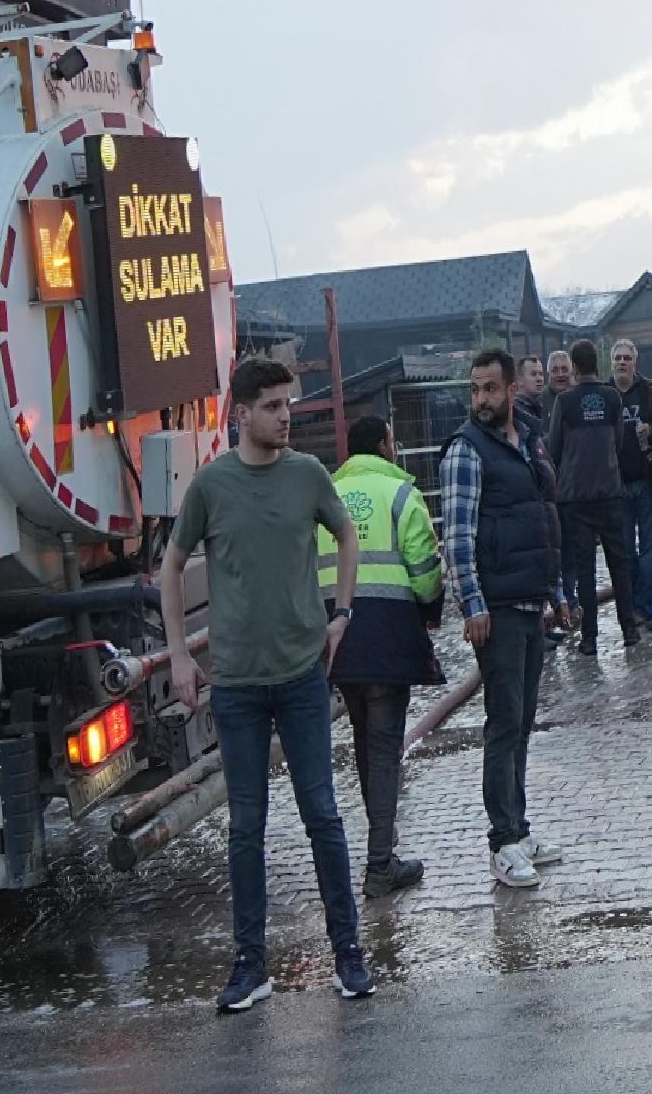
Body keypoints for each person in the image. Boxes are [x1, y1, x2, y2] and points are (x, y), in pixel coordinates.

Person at [158, 357, 371, 1008]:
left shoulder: (307, 476)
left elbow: (346, 532)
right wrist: (177, 656)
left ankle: (349, 955)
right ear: (242, 414)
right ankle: (251, 965)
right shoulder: (211, 487)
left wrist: (342, 613)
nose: (287, 416)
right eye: (275, 406)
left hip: (303, 675)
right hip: (239, 687)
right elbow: (170, 566)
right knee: (245, 827)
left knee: (324, 817)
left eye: (289, 405)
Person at [441, 349, 566, 887]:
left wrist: (555, 593)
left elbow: (543, 522)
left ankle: (519, 826)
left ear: (512, 389)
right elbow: (457, 538)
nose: (482, 400)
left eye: (491, 389)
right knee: (503, 724)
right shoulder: (467, 453)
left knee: (521, 723)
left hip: (529, 604)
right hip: (496, 611)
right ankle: (503, 840)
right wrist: (473, 605)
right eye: (475, 390)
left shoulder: (528, 444)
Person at [321, 415, 445, 898]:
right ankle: (379, 862)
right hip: (389, 630)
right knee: (385, 745)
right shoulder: (399, 494)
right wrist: (430, 609)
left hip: (337, 633)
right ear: (383, 445)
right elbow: (424, 568)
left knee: (362, 736)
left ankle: (381, 835)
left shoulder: (327, 493)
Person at [548, 339, 647, 655]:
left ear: (575, 368)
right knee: (619, 564)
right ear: (598, 364)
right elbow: (619, 440)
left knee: (585, 569)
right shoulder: (612, 398)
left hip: (575, 497)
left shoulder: (564, 403)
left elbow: (554, 448)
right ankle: (629, 630)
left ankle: (589, 638)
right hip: (609, 492)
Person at [612, 340, 652, 623]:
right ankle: (631, 602)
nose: (622, 362)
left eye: (627, 358)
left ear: (635, 362)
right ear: (611, 363)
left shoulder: (648, 390)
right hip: (617, 485)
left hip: (646, 482)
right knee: (624, 549)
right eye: (618, 358)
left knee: (648, 548)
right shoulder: (605, 393)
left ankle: (643, 608)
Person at [543, 349, 579, 635]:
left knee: (574, 551)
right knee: (555, 550)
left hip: (576, 488)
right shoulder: (541, 404)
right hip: (550, 491)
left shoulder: (579, 400)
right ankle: (558, 603)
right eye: (554, 369)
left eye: (563, 368)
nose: (560, 373)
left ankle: (572, 598)